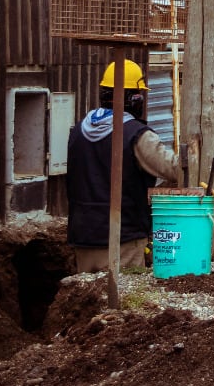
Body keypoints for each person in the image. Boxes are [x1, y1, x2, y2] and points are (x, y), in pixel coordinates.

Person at [66, 60, 182, 273]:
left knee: (89, 299)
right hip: (123, 238)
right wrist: (191, 153)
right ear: (133, 98)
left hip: (83, 236)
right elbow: (174, 169)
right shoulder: (135, 135)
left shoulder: (77, 131)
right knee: (122, 302)